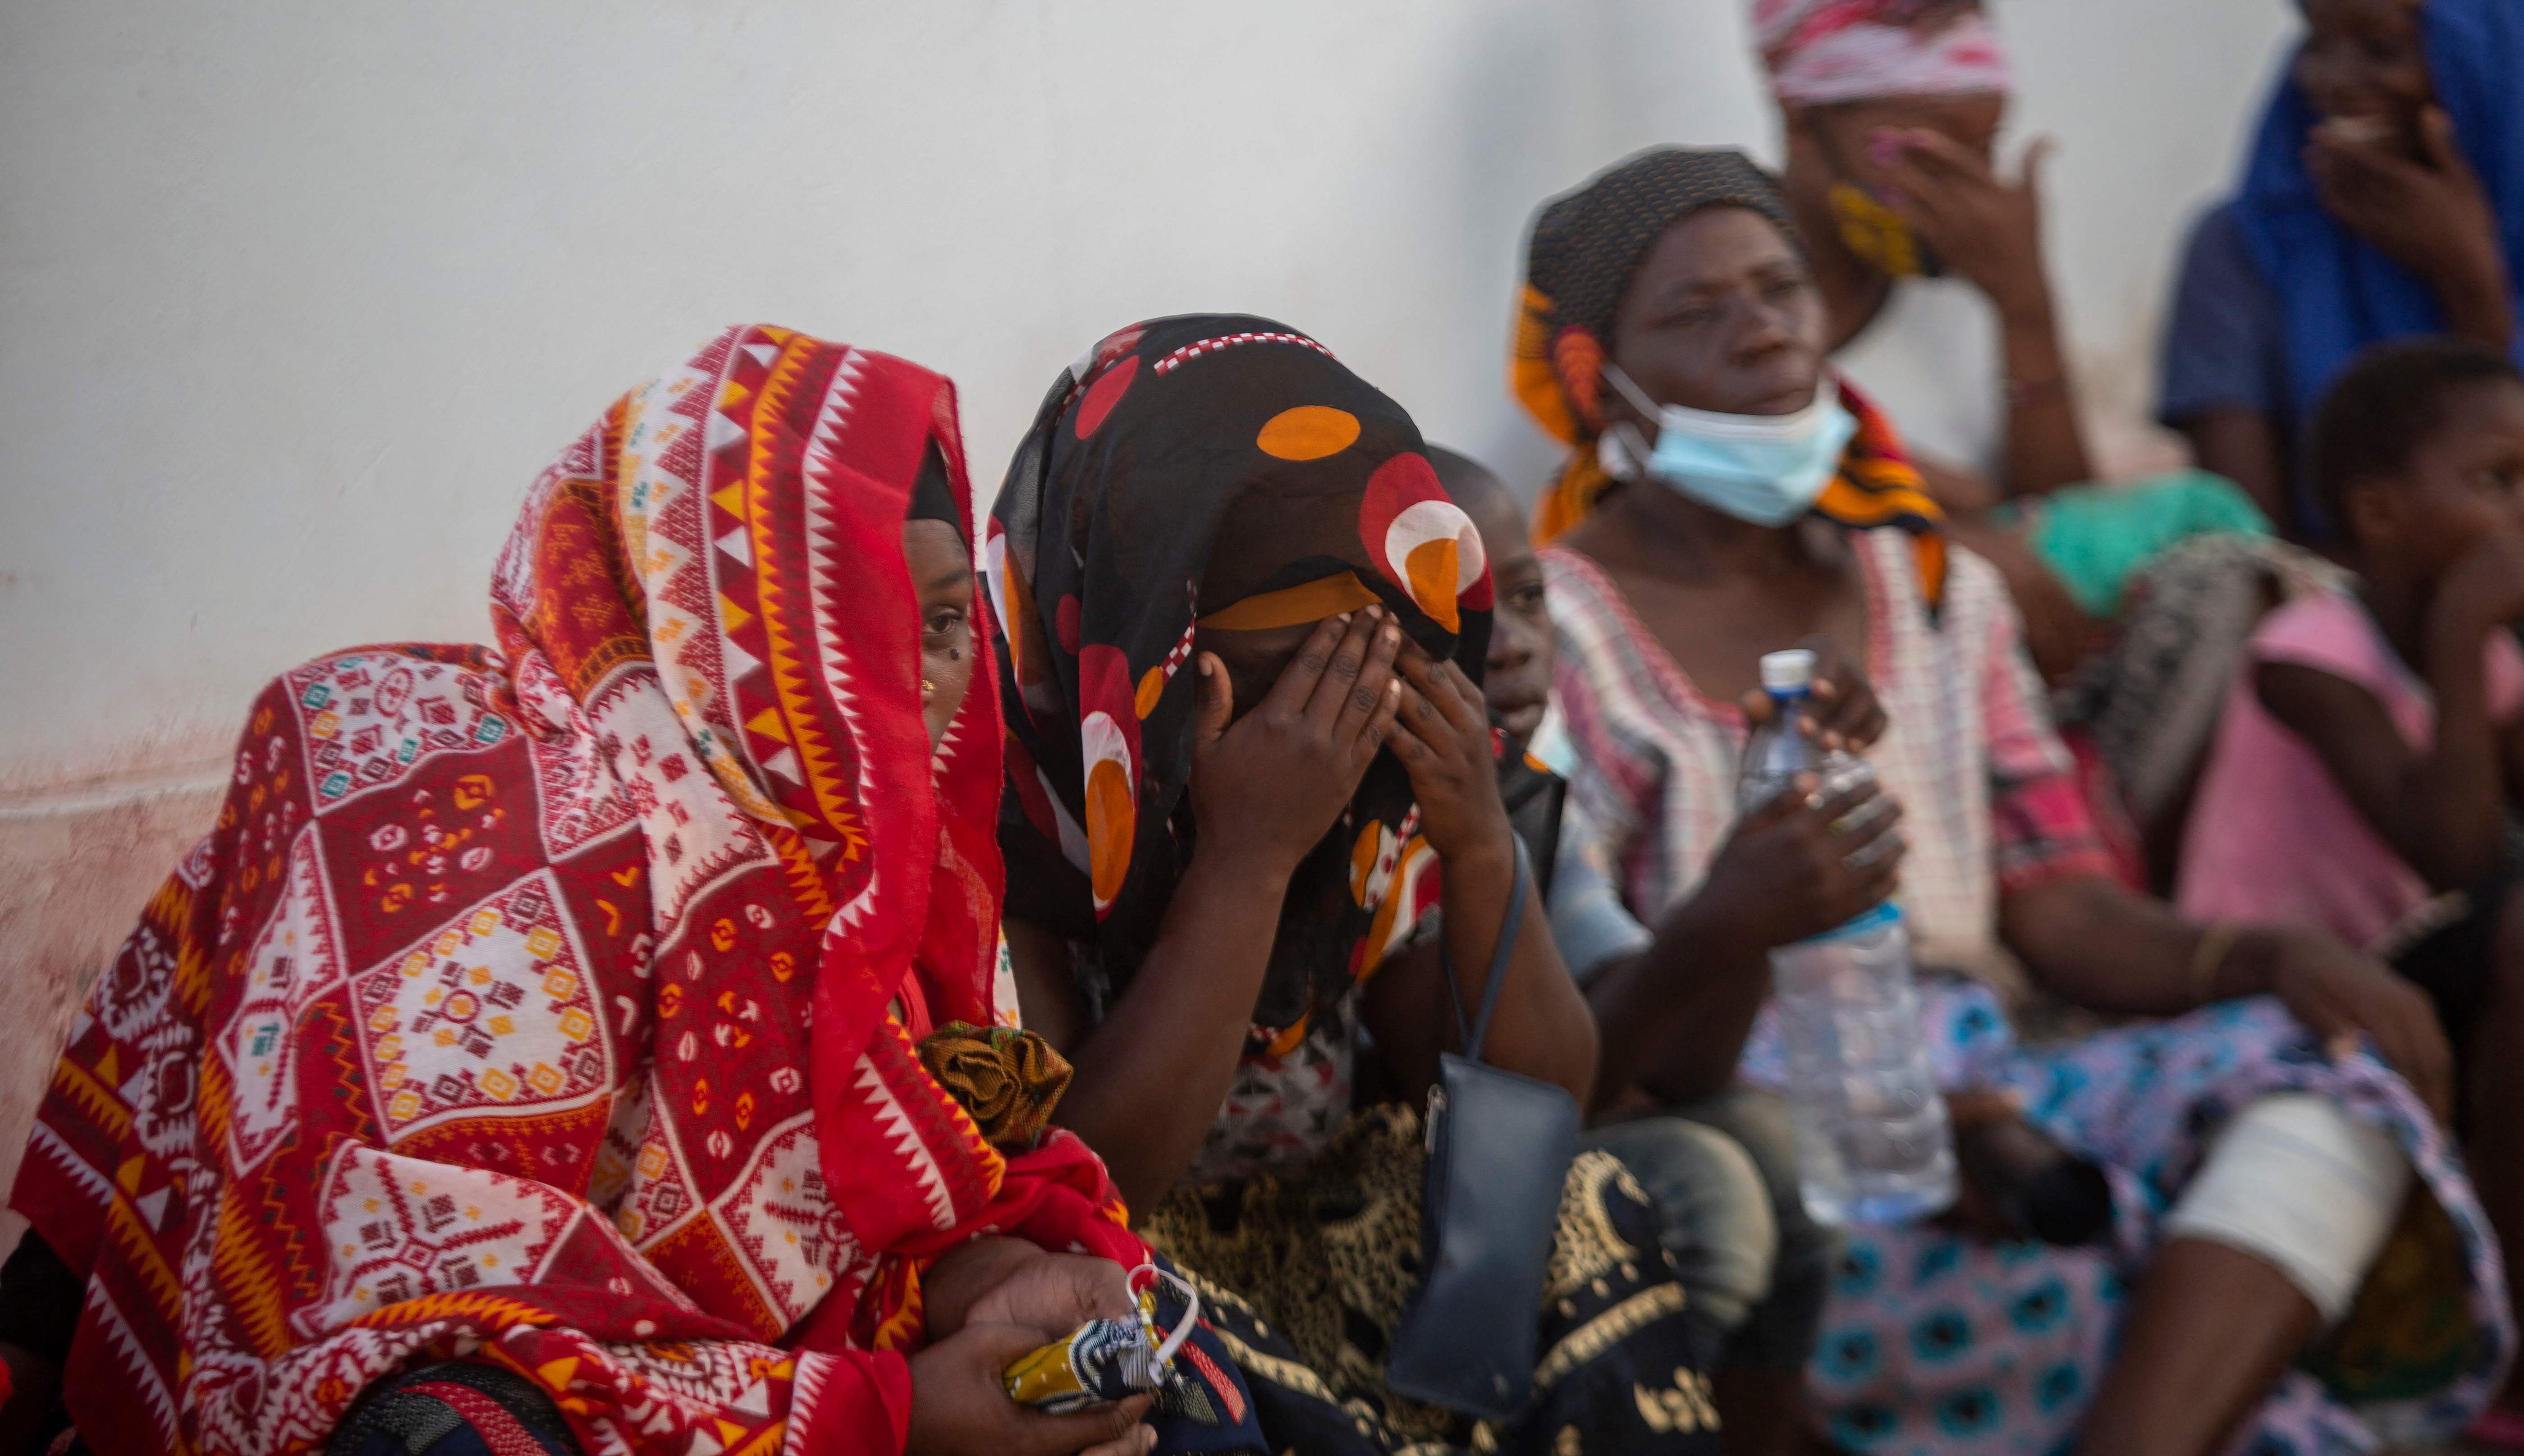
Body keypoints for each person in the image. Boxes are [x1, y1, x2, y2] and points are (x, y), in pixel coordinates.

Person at [0, 326, 1224, 1456]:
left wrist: (983, 1278)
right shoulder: (495, 881)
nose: (915, 682)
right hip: (410, 1399)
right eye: (854, 623)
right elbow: (393, 1350)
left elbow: (865, 1218)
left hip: (712, 1384)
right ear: (720, 630)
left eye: (948, 621)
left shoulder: (849, 884)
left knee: (1190, 1386)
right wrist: (884, 1421)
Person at [1511, 147, 2513, 1456]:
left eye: (1781, 290)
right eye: (1697, 314)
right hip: (1769, 1116)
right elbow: (1582, 1015)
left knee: (2339, 1071)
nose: (1762, 332)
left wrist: (2267, 958)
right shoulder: (1560, 637)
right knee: (2102, 1294)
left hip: (1995, 1063)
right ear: (1598, 384)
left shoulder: (1932, 590)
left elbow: (2056, 904)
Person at [991, 316, 1722, 1455]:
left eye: (1368, 663)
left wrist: (1479, 841)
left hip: (1338, 1227)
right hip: (1136, 1271)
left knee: (1591, 1207)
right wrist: (1245, 862)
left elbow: (1534, 1104)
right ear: (1134, 647)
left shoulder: (1372, 781)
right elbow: (1091, 1186)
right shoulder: (1018, 828)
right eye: (1278, 681)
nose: (1327, 726)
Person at [1727, 0, 2267, 684]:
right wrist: (1932, 543)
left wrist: (2025, 307)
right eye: (1923, 153)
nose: (1964, 191)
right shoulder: (1712, 284)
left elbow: (2064, 531)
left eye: (1982, 148)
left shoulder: (1954, 293)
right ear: (1801, 117)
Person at [2179, 338, 2524, 1436]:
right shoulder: (2306, 654)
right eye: (2494, 481)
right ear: (2378, 513)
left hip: (2415, 993)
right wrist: (2463, 639)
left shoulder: (2491, 669)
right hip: (2289, 997)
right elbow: (2455, 856)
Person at [1433, 445, 1837, 1456]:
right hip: (1396, 1185)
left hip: (1493, 1150)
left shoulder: (1525, 799)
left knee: (1782, 1147)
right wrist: (1718, 923)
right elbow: (1534, 1101)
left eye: (1527, 600)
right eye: (1459, 614)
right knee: (1701, 1190)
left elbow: (1676, 1065)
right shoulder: (1396, 825)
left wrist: (1750, 892)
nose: (1514, 645)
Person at [2159, 0, 2524, 546]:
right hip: (2336, 633)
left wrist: (2469, 281)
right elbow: (2245, 548)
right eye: (2316, 39)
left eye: (2380, 48)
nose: (2332, 80)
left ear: (2482, 63)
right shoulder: (2246, 248)